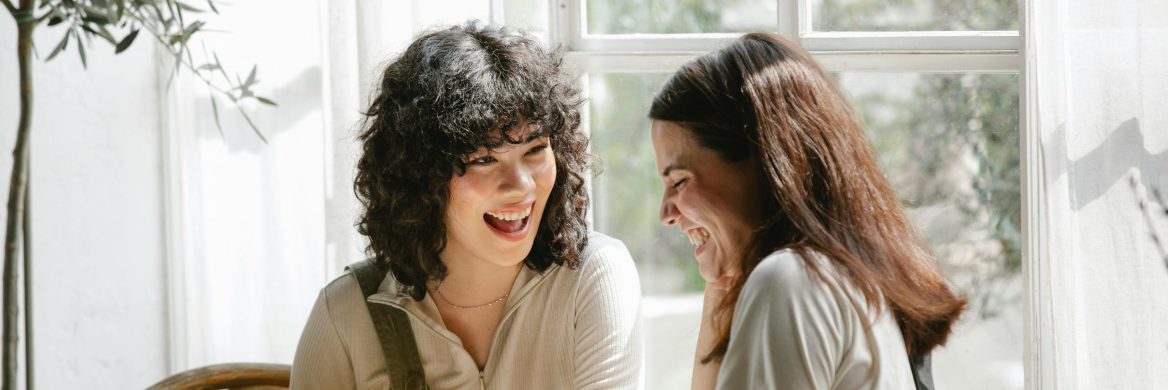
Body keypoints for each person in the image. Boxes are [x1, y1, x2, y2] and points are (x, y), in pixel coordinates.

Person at [291, 22, 642, 389]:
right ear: (420, 175)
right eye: (483, 160)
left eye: (535, 150)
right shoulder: (347, 312)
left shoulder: (593, 277)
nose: (521, 186)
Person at [649, 33, 967, 389]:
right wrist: (724, 285)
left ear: (764, 163)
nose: (666, 213)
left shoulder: (790, 282)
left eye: (679, 181)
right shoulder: (846, 280)